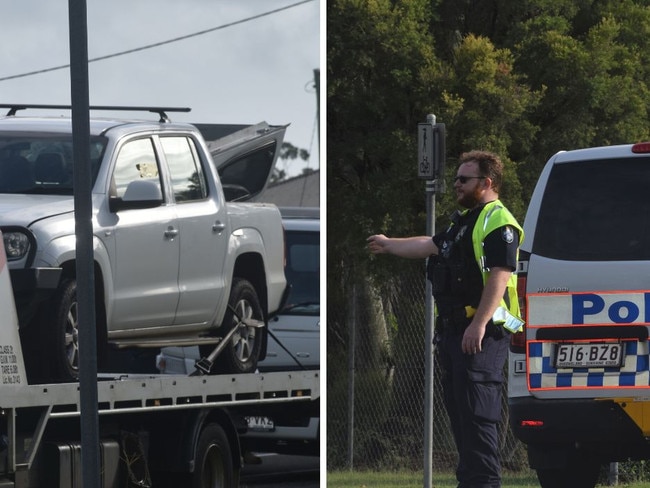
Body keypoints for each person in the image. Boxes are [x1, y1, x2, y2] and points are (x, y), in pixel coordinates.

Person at [367, 150, 524, 488]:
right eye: (456, 178)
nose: (456, 184)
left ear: (487, 183)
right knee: (460, 415)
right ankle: (469, 482)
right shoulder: (462, 222)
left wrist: (479, 324)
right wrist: (389, 244)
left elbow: (499, 275)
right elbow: (430, 245)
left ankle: (483, 484)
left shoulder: (498, 221)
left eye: (463, 179)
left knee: (478, 415)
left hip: (485, 332)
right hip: (456, 332)